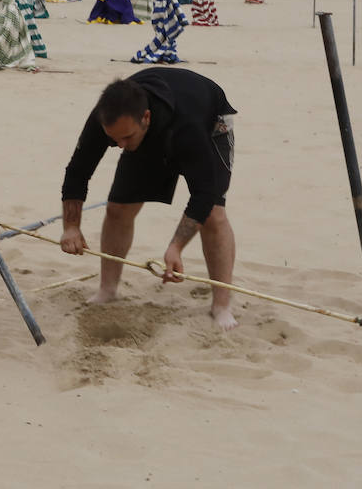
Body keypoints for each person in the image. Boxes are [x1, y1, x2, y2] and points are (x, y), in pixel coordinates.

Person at [59, 68, 240, 329]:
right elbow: (78, 171)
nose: (120, 146)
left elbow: (203, 193)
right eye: (114, 140)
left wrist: (176, 246)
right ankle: (107, 291)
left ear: (145, 117)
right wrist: (71, 227)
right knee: (118, 208)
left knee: (213, 213)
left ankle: (221, 306)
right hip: (150, 133)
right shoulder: (108, 120)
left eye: (126, 137)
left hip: (211, 123)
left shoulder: (188, 126)